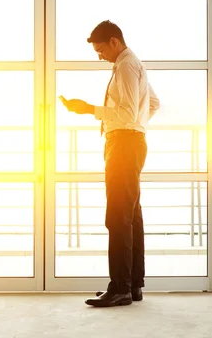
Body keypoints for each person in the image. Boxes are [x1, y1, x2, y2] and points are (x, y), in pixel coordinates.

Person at [59, 20, 160, 307]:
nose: (100, 56)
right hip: (132, 142)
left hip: (124, 145)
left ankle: (120, 288)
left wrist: (91, 110)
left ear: (114, 41)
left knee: (117, 217)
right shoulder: (131, 64)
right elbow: (152, 104)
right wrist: (137, 127)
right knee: (131, 216)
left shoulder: (126, 65)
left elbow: (128, 112)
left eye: (101, 50)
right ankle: (133, 284)